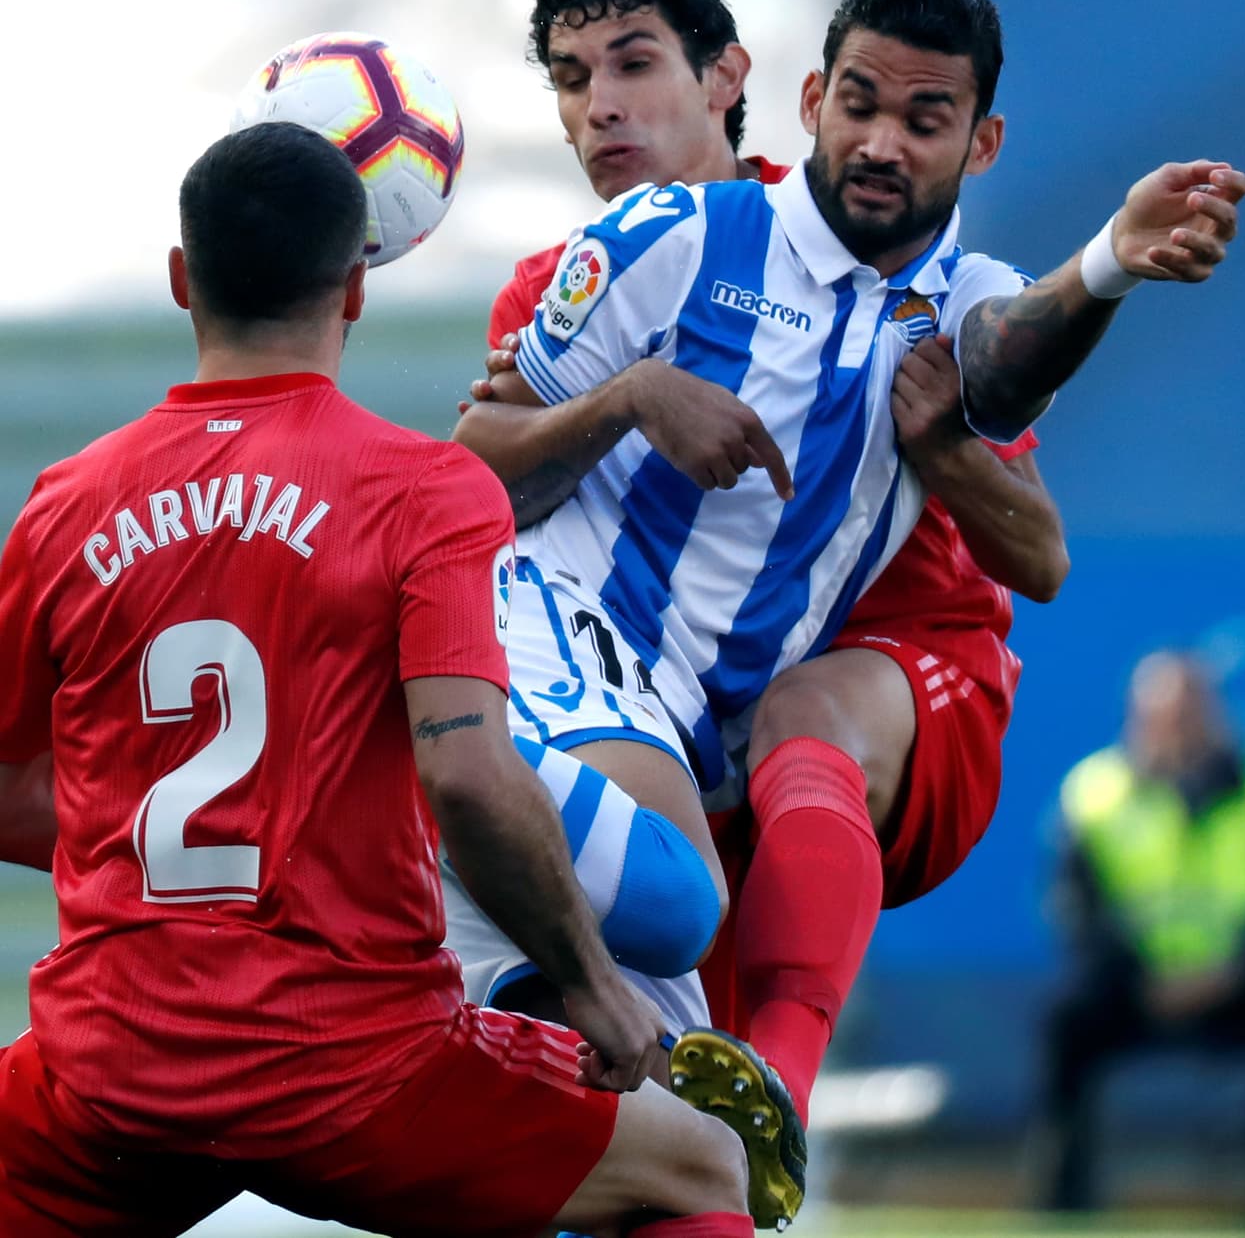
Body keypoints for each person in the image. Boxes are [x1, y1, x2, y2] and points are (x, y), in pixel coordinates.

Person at [452, 0, 1245, 1227]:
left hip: (775, 732)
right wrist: (630, 399)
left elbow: (1018, 414)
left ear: (979, 143)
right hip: (597, 695)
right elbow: (467, 476)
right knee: (661, 1027)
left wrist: (1103, 263)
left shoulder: (957, 310)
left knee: (685, 1118)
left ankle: (765, 1085)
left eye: (921, 119)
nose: (880, 141)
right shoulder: (655, 242)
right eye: (860, 104)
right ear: (814, 98)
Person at [0, 120, 757, 1237]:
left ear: (179, 281)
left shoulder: (64, 503)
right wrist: (593, 988)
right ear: (354, 291)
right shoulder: (427, 490)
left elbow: (11, 785)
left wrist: (174, 860)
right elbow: (466, 774)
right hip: (354, 1072)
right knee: (700, 1168)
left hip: (115, 1063)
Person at [473, 0, 1070, 1141]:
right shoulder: (566, 281)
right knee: (648, 1113)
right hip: (667, 716)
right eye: (570, 79)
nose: (601, 107)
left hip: (895, 654)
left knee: (799, 729)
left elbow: (1034, 540)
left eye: (632, 64)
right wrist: (623, 397)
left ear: (729, 79)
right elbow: (483, 493)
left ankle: (776, 1080)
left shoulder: (875, 241)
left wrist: (953, 440)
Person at [1033, 650, 1245, 1213]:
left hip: (1244, 983)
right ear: (1136, 717)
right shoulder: (1095, 795)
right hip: (1136, 989)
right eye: (1166, 715)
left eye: (1193, 713)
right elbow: (1075, 908)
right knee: (1066, 1021)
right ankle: (1062, 1204)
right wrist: (1138, 975)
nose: (1180, 729)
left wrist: (1238, 968)